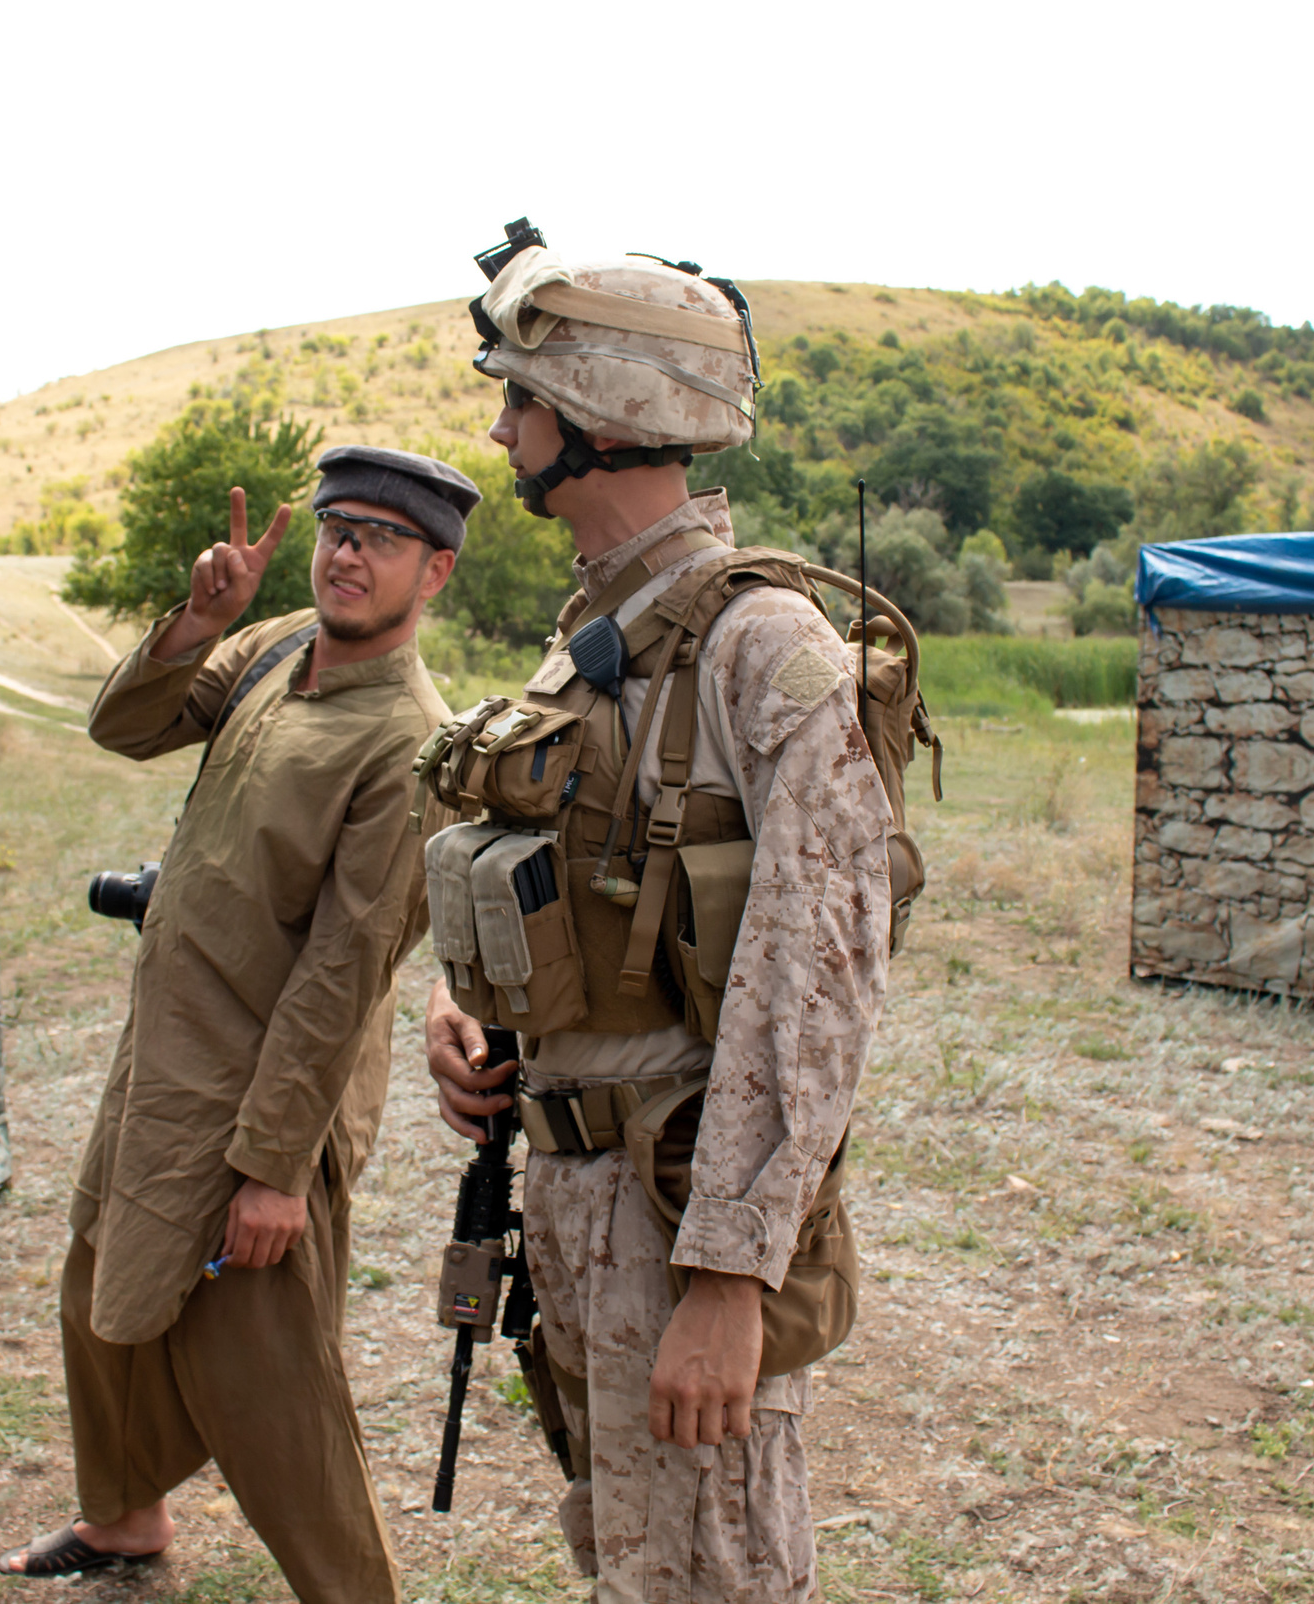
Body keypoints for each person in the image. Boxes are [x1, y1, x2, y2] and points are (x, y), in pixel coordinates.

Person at [424, 232, 894, 1602]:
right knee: (625, 1553)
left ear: (603, 416)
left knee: (715, 1570)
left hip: (679, 1205)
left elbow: (820, 977)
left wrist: (733, 1276)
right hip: (570, 1191)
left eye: (522, 396)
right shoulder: (591, 645)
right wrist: (467, 1017)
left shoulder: (765, 649)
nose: (502, 425)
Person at [0, 445, 479, 1603]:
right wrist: (194, 621)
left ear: (436, 575)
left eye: (380, 538)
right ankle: (123, 1520)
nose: (347, 552)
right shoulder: (270, 651)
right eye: (337, 527)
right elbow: (129, 727)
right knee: (97, 1280)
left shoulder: (409, 741)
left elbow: (345, 969)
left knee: (265, 1373)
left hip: (263, 1090)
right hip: (162, 1053)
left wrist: (271, 1168)